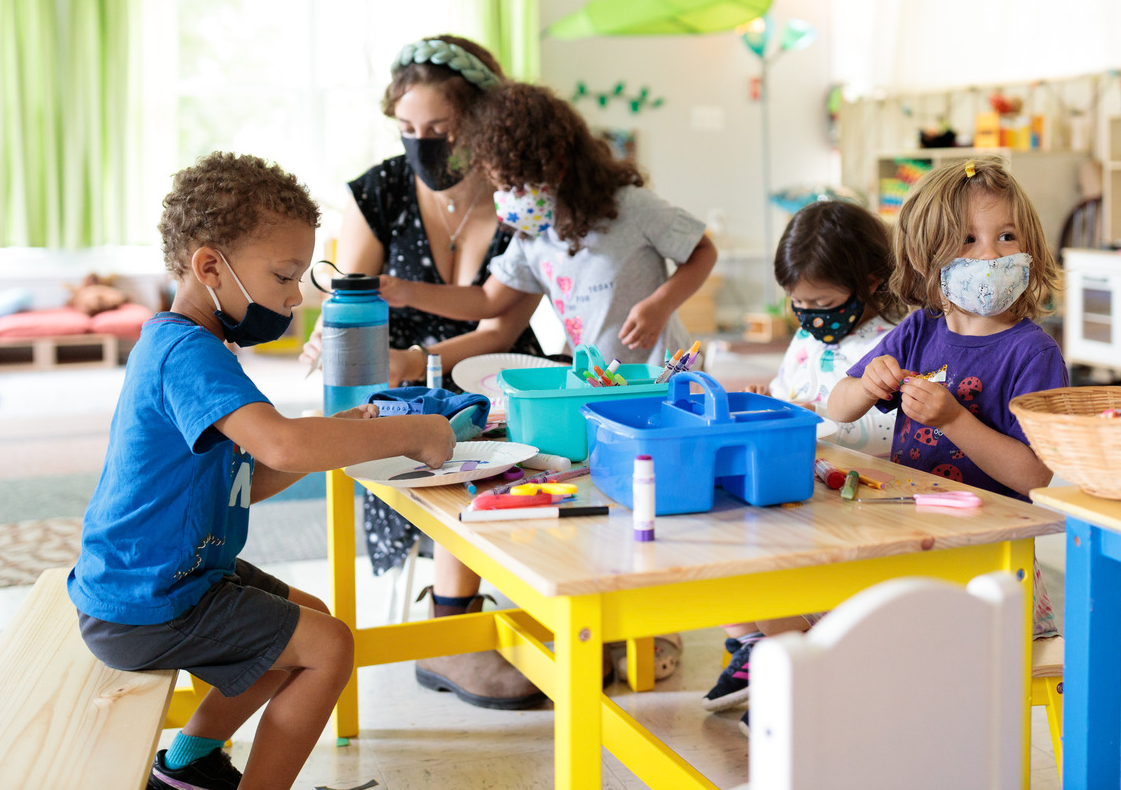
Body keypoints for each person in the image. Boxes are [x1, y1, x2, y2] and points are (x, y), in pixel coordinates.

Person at [67, 151, 456, 790]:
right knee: (328, 648)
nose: (294, 297)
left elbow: (254, 475)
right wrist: (410, 432)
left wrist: (346, 438)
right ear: (210, 266)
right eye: (283, 276)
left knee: (307, 616)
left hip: (166, 576)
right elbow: (280, 445)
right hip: (145, 599)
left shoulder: (197, 347)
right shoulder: (185, 354)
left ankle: (188, 766)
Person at [298, 36, 550, 711]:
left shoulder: (521, 198)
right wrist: (346, 344)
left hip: (496, 366)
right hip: (397, 384)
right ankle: (453, 630)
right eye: (407, 129)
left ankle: (552, 604)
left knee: (546, 438)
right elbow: (353, 302)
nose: (421, 143)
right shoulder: (380, 189)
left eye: (437, 129)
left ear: (482, 119)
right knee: (442, 440)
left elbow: (501, 325)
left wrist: (422, 356)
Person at [827, 153, 1062, 627]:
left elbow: (1036, 476)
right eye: (968, 241)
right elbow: (838, 405)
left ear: (1030, 245)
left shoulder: (1034, 354)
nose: (991, 255)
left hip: (990, 558)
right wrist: (867, 385)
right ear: (927, 255)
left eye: (1006, 236)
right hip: (910, 536)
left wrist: (954, 420)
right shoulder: (921, 328)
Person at [700, 200, 907, 721]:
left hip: (861, 499)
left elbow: (890, 429)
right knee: (713, 537)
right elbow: (787, 389)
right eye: (798, 304)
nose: (811, 316)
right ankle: (757, 645)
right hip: (803, 485)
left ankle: (799, 668)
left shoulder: (895, 341)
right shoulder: (806, 336)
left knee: (763, 568)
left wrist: (810, 415)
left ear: (871, 282)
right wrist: (768, 397)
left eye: (823, 302)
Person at [379, 80, 718, 365]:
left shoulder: (630, 207)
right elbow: (486, 300)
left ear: (557, 164)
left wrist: (661, 304)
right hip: (603, 384)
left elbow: (703, 250)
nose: (511, 198)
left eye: (517, 184)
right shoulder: (533, 234)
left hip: (665, 375)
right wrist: (407, 292)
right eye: (502, 186)